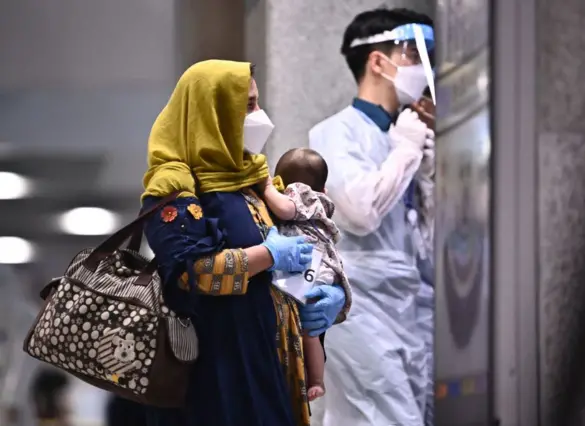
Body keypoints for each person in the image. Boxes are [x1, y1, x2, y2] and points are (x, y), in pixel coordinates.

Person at [141, 60, 347, 426]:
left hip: (271, 361)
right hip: (218, 371)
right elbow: (193, 272)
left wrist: (331, 300)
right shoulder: (174, 187)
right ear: (213, 112)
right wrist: (268, 254)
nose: (260, 115)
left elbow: (307, 245)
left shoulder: (252, 180)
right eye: (248, 105)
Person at [308, 8, 436, 426]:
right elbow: (360, 212)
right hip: (359, 306)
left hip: (410, 305)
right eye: (415, 56)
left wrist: (430, 174)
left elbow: (429, 238)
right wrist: (406, 152)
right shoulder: (333, 133)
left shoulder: (405, 135)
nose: (425, 69)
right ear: (377, 61)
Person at [260, 147, 352, 402]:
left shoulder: (299, 194)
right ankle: (317, 380)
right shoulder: (320, 202)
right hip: (315, 269)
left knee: (308, 330)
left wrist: (267, 188)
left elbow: (287, 210)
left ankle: (316, 381)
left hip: (307, 270)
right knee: (310, 333)